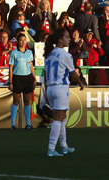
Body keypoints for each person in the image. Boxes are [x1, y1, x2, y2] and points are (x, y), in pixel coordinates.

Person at [44, 28, 84, 156]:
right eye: (67, 37)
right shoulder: (66, 55)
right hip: (60, 87)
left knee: (62, 118)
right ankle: (51, 149)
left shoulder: (49, 54)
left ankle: (64, 146)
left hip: (50, 88)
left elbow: (45, 75)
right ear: (60, 40)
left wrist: (45, 92)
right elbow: (73, 74)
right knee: (58, 119)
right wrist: (81, 83)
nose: (69, 39)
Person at [8, 33, 36, 130]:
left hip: (27, 78)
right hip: (17, 78)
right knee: (16, 101)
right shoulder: (13, 53)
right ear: (18, 41)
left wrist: (34, 78)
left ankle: (28, 124)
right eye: (21, 40)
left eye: (25, 40)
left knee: (27, 101)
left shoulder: (29, 53)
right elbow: (10, 68)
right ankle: (13, 124)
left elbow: (31, 66)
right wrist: (10, 82)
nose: (23, 42)